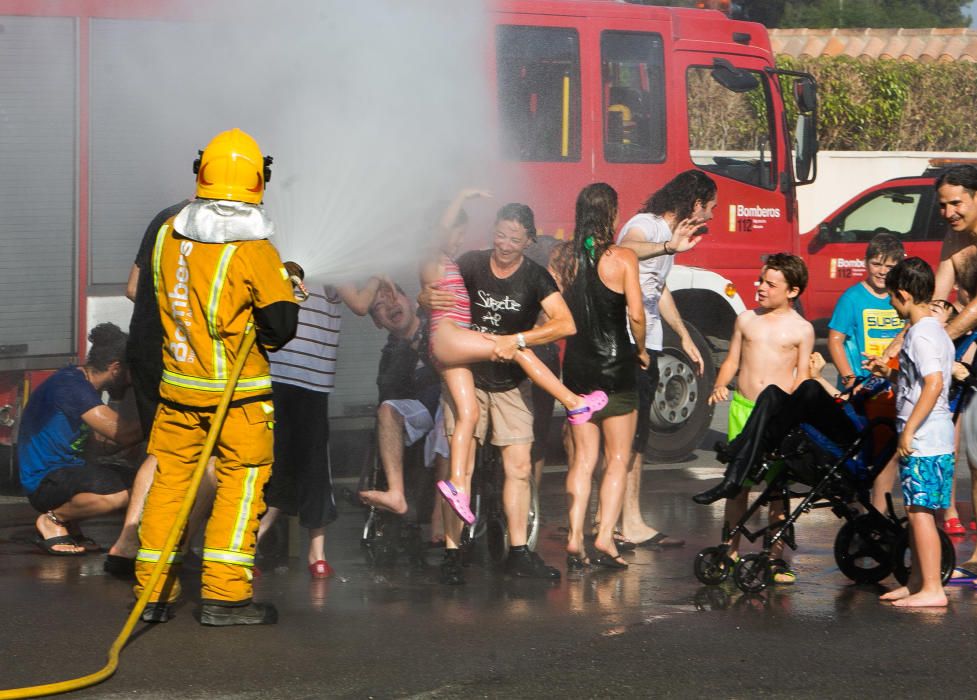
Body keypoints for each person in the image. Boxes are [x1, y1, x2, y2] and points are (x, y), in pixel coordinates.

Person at [133, 128, 298, 626]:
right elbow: (279, 329)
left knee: (169, 489)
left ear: (201, 172)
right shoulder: (254, 248)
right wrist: (288, 286)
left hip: (178, 391)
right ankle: (225, 599)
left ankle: (152, 595)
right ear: (257, 179)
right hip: (237, 399)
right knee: (240, 487)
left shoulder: (167, 232)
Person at [421, 202, 583, 583]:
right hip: (468, 374)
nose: (505, 245)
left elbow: (565, 324)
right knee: (459, 466)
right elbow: (435, 284)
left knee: (519, 467)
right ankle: (452, 553)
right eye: (500, 234)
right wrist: (422, 299)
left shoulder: (536, 277)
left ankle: (519, 552)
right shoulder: (471, 262)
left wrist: (520, 339)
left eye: (515, 238)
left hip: (511, 382)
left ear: (529, 241)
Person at [104, 198, 217, 580]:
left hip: (146, 346)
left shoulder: (164, 216)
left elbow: (134, 288)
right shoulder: (220, 224)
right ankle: (176, 547)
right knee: (214, 455)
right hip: (184, 353)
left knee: (161, 447)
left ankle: (127, 544)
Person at [257, 262, 382, 579]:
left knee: (278, 462)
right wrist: (379, 273)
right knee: (307, 464)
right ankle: (316, 554)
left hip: (280, 373)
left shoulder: (290, 254)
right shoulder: (329, 263)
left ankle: (251, 548)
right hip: (306, 377)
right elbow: (360, 304)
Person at [614, 169, 714, 547]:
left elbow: (659, 288)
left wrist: (684, 336)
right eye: (711, 208)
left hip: (649, 340)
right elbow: (627, 250)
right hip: (630, 342)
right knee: (632, 438)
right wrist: (669, 248)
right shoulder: (648, 226)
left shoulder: (664, 236)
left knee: (630, 436)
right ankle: (629, 522)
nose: (711, 217)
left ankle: (611, 519)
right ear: (696, 203)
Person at [551, 183, 647, 570]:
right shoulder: (622, 258)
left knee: (583, 460)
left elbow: (554, 312)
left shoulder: (560, 257)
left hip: (576, 368)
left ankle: (575, 538)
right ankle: (604, 536)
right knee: (618, 457)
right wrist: (640, 350)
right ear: (611, 214)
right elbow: (636, 316)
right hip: (616, 368)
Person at [701, 253, 813, 583]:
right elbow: (733, 360)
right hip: (743, 410)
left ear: (792, 291)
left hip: (777, 416)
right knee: (738, 486)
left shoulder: (802, 329)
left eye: (770, 283)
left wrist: (793, 410)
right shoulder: (746, 320)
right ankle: (729, 549)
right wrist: (720, 384)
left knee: (777, 489)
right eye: (761, 280)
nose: (760, 287)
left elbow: (802, 374)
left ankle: (775, 557)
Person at [866, 258, 955, 607]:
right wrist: (887, 374)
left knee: (920, 513)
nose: (889, 303)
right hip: (931, 436)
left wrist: (909, 431)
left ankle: (933, 588)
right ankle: (918, 579)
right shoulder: (934, 331)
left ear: (903, 295)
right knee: (920, 510)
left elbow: (933, 384)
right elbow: (920, 383)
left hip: (925, 438)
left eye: (891, 297)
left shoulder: (920, 334)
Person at [18, 323, 142, 555]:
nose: (130, 382)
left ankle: (69, 522)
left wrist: (130, 446)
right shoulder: (71, 385)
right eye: (129, 374)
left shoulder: (81, 384)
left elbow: (98, 444)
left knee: (141, 482)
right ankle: (54, 519)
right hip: (45, 481)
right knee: (122, 493)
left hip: (65, 473)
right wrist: (162, 418)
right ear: (115, 368)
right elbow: (121, 432)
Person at [827, 233, 905, 515]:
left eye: (889, 266)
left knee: (887, 455)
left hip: (890, 388)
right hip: (859, 388)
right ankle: (854, 509)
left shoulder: (900, 299)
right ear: (865, 263)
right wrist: (849, 378)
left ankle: (878, 513)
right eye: (876, 264)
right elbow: (835, 339)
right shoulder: (853, 297)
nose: (882, 272)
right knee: (856, 451)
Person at [358, 285, 445, 525]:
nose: (390, 305)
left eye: (393, 297)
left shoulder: (436, 326)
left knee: (446, 425)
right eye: (379, 306)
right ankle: (396, 494)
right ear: (377, 322)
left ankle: (440, 515)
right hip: (422, 411)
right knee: (387, 410)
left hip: (451, 405)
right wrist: (406, 349)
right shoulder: (391, 354)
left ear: (410, 299)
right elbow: (388, 396)